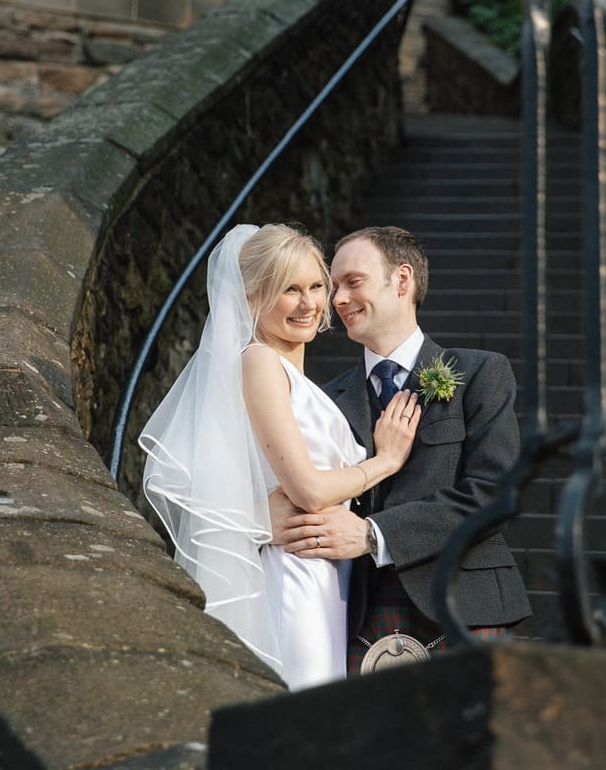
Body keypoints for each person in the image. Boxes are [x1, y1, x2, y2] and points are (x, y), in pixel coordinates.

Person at [138, 223, 421, 691]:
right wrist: (384, 462)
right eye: (290, 289)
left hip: (327, 572)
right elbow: (307, 490)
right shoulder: (259, 361)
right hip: (293, 572)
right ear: (251, 299)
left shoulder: (297, 378)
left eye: (316, 286)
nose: (309, 303)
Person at [277, 226, 531, 672]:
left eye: (352, 282)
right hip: (359, 614)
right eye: (333, 286)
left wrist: (375, 534)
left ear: (402, 279)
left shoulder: (479, 372)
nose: (336, 300)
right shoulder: (324, 401)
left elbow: (496, 493)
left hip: (465, 606)